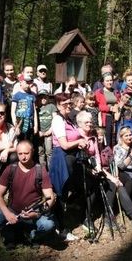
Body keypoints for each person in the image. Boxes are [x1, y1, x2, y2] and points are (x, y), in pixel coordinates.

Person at [76, 111, 132, 228]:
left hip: (104, 172)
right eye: (97, 136)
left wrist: (113, 176)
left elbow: (110, 164)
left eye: (101, 136)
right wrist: (112, 177)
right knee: (113, 184)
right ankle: (109, 215)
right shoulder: (82, 140)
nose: (99, 138)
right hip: (91, 173)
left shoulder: (106, 149)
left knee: (118, 184)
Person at [0, 141, 56, 249]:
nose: (23, 157)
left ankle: (34, 235)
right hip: (13, 211)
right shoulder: (11, 169)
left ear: (32, 152)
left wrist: (37, 213)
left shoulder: (40, 170)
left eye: (26, 153)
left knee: (48, 225)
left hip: (33, 213)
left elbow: (50, 198)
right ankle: (11, 233)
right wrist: (7, 214)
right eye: (20, 154)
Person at [48, 93, 87, 241]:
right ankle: (61, 230)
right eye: (65, 104)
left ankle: (68, 223)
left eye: (70, 104)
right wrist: (79, 142)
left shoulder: (68, 119)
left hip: (71, 159)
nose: (68, 107)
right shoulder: (58, 120)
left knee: (72, 191)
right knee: (60, 192)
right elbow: (63, 144)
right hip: (61, 159)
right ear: (58, 105)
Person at [95, 72, 120, 147]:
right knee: (107, 139)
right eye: (107, 81)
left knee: (114, 138)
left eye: (111, 80)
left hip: (115, 117)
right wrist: (109, 108)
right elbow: (97, 106)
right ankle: (106, 155)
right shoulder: (99, 92)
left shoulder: (116, 91)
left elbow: (119, 102)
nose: (109, 82)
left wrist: (117, 107)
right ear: (103, 82)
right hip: (105, 117)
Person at [11, 75, 38, 141]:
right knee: (20, 142)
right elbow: (12, 111)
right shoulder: (16, 95)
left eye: (30, 82)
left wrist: (36, 125)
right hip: (20, 123)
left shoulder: (32, 95)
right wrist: (16, 125)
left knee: (29, 142)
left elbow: (34, 111)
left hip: (30, 123)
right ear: (21, 82)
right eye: (26, 82)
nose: (28, 84)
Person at [37, 91, 57, 168]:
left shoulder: (51, 106)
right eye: (41, 97)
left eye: (45, 97)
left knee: (49, 152)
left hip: (49, 132)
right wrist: (38, 131)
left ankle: (50, 169)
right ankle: (42, 169)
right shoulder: (37, 107)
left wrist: (50, 130)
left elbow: (55, 119)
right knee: (40, 151)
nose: (43, 99)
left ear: (48, 97)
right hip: (40, 133)